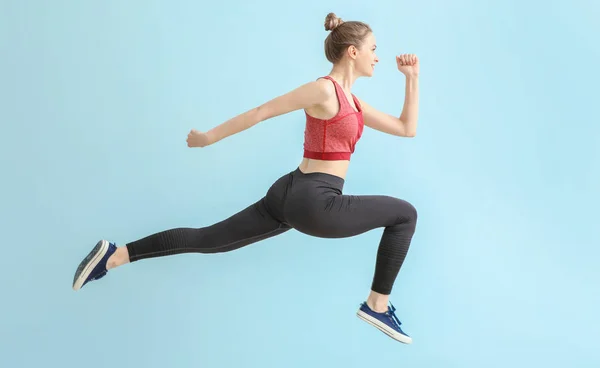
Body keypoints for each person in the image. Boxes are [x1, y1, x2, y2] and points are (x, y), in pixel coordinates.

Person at [72, 12, 420, 344]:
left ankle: (115, 255)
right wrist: (209, 137)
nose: (377, 57)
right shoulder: (324, 90)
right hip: (316, 200)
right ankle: (377, 305)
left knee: (210, 239)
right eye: (374, 49)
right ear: (353, 51)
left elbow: (407, 128)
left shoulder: (354, 103)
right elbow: (261, 112)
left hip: (290, 193)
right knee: (405, 214)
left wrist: (412, 79)